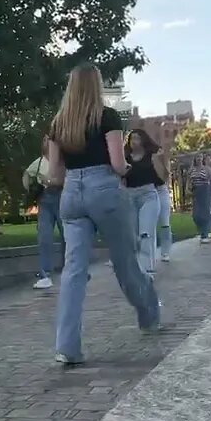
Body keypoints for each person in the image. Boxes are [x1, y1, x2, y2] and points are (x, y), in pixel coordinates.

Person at [45, 63, 160, 365]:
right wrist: (129, 170)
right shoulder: (106, 117)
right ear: (95, 86)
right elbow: (119, 165)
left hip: (71, 194)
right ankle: (148, 315)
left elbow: (55, 175)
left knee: (73, 271)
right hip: (104, 191)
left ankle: (67, 346)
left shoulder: (58, 124)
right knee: (125, 261)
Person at [125, 128, 168, 276]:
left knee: (145, 233)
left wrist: (158, 160)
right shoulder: (125, 158)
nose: (134, 142)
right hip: (130, 197)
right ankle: (138, 267)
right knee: (134, 235)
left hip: (148, 195)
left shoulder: (151, 156)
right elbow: (121, 180)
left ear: (143, 140)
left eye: (137, 138)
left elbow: (162, 178)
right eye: (131, 139)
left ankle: (148, 269)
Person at [26, 155, 63, 289]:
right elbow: (27, 174)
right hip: (45, 199)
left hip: (61, 196)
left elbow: (63, 179)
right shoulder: (40, 161)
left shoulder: (62, 160)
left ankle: (70, 269)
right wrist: (30, 188)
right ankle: (45, 274)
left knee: (67, 235)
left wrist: (48, 180)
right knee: (44, 236)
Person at [189, 155, 211, 242]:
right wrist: (188, 189)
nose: (199, 159)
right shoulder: (192, 170)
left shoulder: (207, 169)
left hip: (205, 190)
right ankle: (201, 230)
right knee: (196, 215)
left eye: (200, 157)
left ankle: (204, 234)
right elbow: (188, 180)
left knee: (205, 213)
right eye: (197, 157)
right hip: (196, 191)